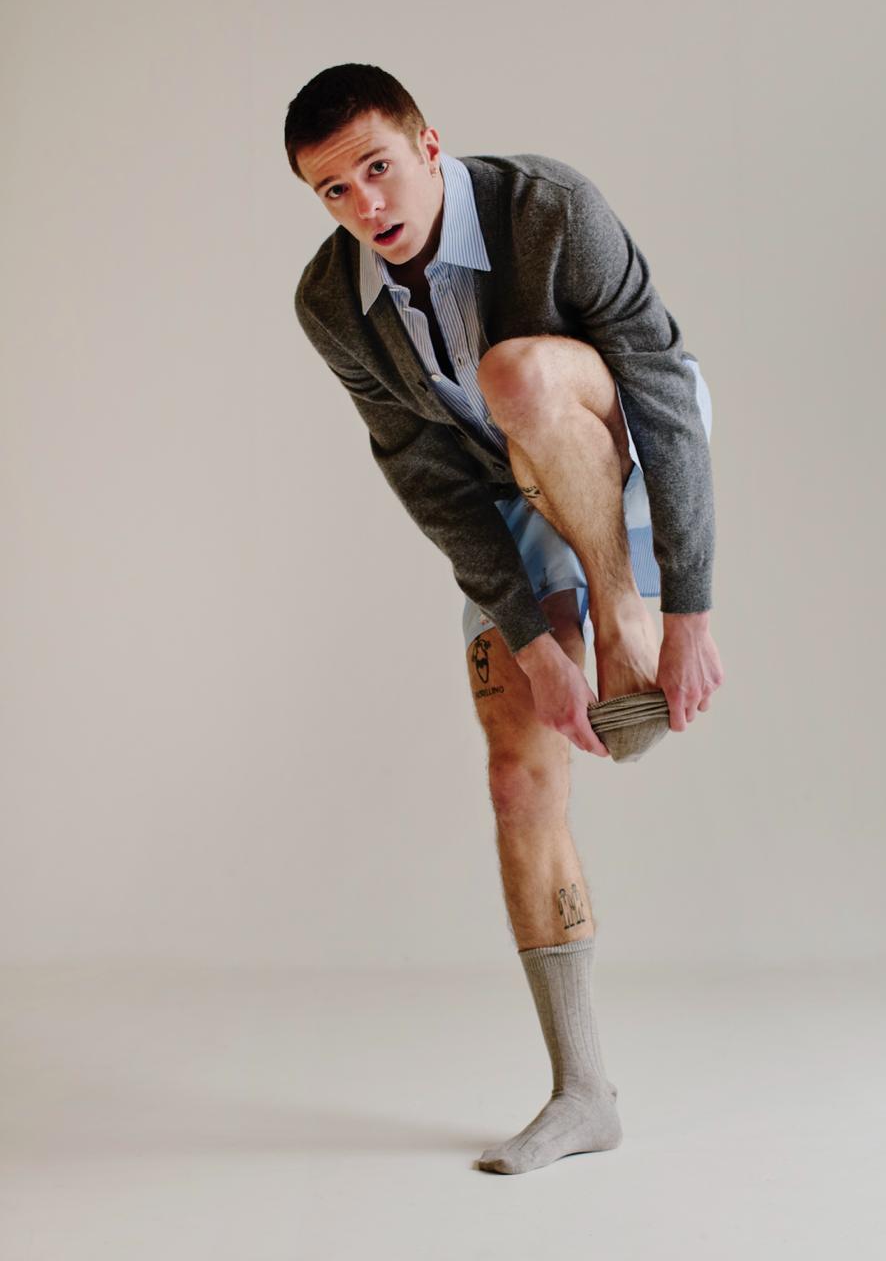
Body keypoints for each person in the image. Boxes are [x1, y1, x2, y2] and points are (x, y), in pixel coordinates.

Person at [284, 63, 725, 1174]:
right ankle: (582, 1093)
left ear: (429, 146)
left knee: (514, 373)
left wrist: (683, 607)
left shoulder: (548, 209)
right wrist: (532, 640)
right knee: (516, 776)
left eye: (378, 168)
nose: (365, 204)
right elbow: (426, 474)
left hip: (622, 440)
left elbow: (662, 388)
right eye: (333, 190)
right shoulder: (331, 302)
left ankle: (616, 612)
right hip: (504, 492)